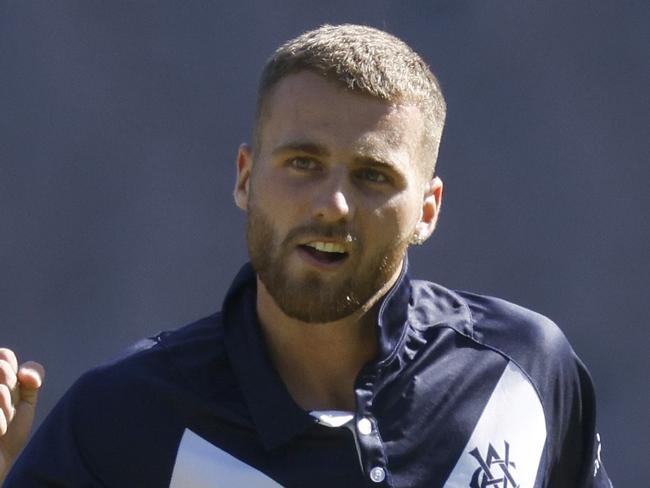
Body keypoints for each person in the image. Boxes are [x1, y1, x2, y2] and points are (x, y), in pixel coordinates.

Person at [1, 24, 612, 487]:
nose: (333, 204)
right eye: (303, 164)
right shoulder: (122, 416)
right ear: (245, 177)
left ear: (428, 209)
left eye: (374, 175)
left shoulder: (526, 372)